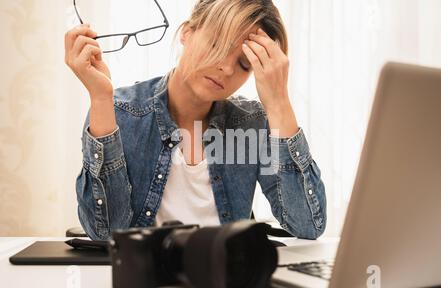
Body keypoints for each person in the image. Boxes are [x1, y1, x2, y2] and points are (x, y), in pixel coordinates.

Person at [64, 0, 327, 240]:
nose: (226, 68)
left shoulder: (252, 123)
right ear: (186, 32)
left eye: (245, 64)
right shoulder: (119, 110)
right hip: (144, 285)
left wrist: (279, 101)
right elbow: (105, 232)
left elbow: (307, 225)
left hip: (224, 282)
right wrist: (100, 99)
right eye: (217, 44)